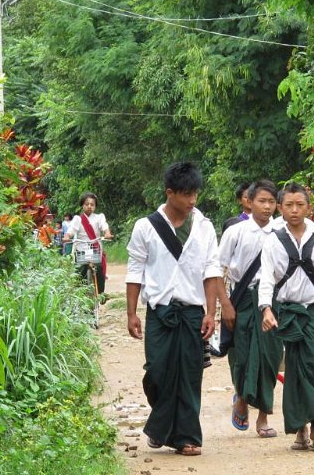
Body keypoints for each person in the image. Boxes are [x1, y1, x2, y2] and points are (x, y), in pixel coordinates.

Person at [125, 162, 221, 456]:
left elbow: (211, 271)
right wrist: (131, 313)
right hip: (160, 312)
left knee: (191, 375)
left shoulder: (203, 228)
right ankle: (162, 423)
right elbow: (134, 270)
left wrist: (210, 312)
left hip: (192, 312)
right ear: (170, 193)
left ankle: (188, 436)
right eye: (185, 194)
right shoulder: (146, 227)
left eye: (195, 194)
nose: (192, 201)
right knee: (157, 372)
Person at [259, 182, 314, 452]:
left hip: (312, 313)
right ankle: (300, 429)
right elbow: (267, 279)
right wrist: (266, 309)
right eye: (288, 205)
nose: (294, 210)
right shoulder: (273, 240)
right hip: (286, 312)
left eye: (300, 205)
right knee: (294, 369)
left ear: (308, 207)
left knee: (313, 366)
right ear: (280, 208)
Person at [217, 180, 283, 438]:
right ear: (249, 202)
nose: (267, 207)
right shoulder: (236, 231)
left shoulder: (281, 231)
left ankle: (264, 415)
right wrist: (224, 305)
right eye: (261, 201)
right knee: (241, 354)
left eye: (271, 202)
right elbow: (218, 268)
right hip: (242, 298)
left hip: (273, 300)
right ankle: (242, 398)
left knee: (269, 356)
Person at [64, 193, 112, 294]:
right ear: (82, 205)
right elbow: (72, 229)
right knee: (79, 272)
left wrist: (107, 233)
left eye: (92, 204)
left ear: (95, 206)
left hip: (95, 250)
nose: (89, 206)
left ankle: (100, 294)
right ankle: (80, 296)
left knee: (98, 268)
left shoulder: (99, 217)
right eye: (87, 204)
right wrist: (67, 236)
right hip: (81, 250)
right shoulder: (78, 219)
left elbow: (104, 225)